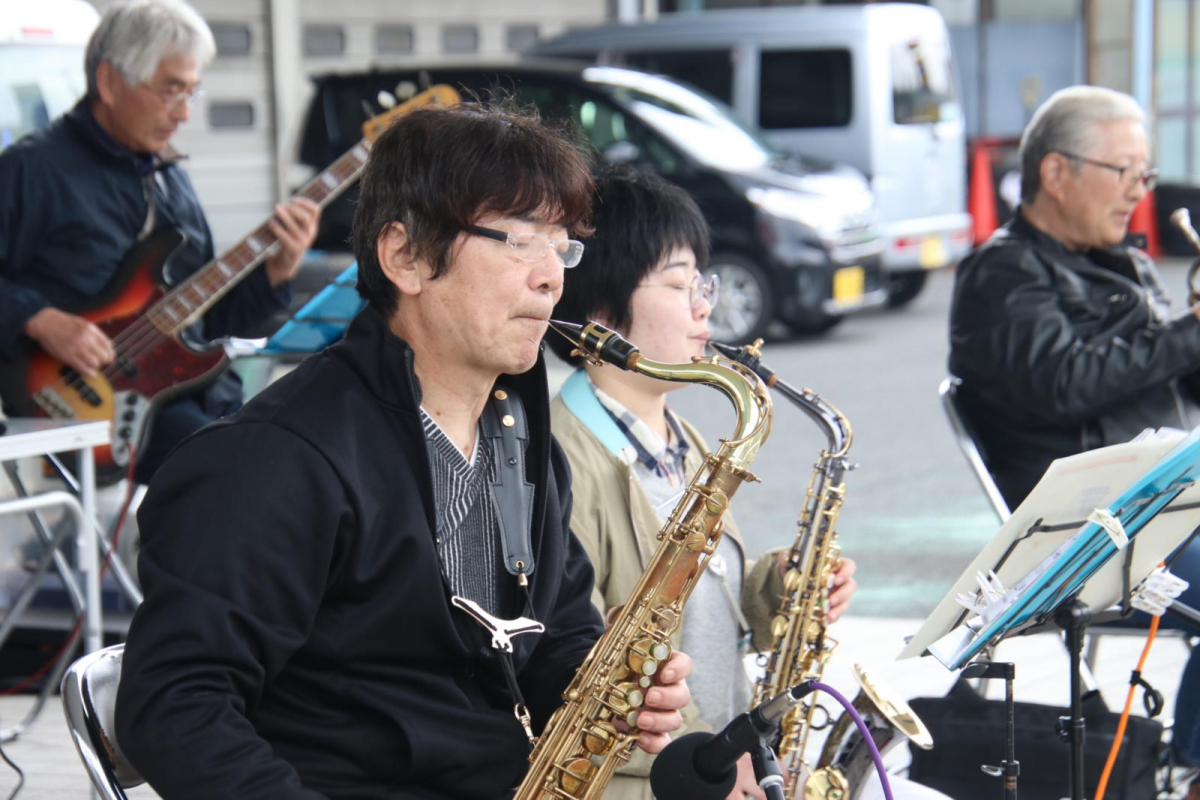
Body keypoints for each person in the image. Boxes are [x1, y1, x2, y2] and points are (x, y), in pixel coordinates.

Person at [113, 102, 691, 799]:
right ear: (405, 256)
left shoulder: (521, 439)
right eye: (518, 240)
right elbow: (173, 708)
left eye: (561, 245)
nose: (552, 277)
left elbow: (550, 638)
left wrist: (605, 689)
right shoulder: (270, 461)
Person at [548, 166, 951, 800]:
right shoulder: (560, 461)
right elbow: (583, 672)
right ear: (599, 311)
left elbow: (706, 609)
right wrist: (714, 762)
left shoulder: (684, 438)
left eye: (702, 282)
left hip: (718, 767)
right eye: (678, 284)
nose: (704, 305)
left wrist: (782, 588)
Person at [949, 85, 1200, 784]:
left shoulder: (1121, 261)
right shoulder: (1003, 273)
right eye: (1125, 172)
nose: (1138, 192)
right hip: (1090, 536)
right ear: (1056, 172)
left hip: (1162, 510)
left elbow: (1172, 377)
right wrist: (1189, 332)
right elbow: (1064, 382)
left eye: (1145, 174)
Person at [0, 0, 320, 483]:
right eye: (172, 91)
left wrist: (277, 270)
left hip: (192, 393)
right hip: (84, 406)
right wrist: (40, 320)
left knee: (311, 446)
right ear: (109, 83)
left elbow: (210, 321)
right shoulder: (31, 170)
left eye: (192, 93)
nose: (184, 114)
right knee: (241, 471)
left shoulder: (171, 177)